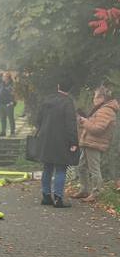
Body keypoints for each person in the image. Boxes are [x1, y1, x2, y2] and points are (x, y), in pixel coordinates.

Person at [34, 80, 79, 208]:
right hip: (61, 140)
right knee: (61, 168)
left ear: (58, 86)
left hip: (45, 139)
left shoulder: (47, 99)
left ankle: (46, 196)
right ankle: (58, 198)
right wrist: (73, 142)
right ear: (70, 89)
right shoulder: (68, 102)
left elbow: (38, 120)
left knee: (47, 167)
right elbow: (71, 124)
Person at [73, 85, 119, 202]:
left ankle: (96, 193)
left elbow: (97, 129)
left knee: (94, 169)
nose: (93, 99)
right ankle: (84, 190)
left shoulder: (106, 111)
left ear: (102, 97)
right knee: (81, 167)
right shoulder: (101, 109)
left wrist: (84, 121)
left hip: (95, 143)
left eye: (95, 97)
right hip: (89, 142)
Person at [0, 73, 16, 137]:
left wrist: (12, 102)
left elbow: (13, 94)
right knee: (2, 118)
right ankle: (3, 132)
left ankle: (12, 131)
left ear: (7, 78)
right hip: (1, 104)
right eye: (3, 76)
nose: (2, 77)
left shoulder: (11, 85)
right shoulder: (1, 84)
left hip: (8, 104)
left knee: (10, 118)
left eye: (4, 76)